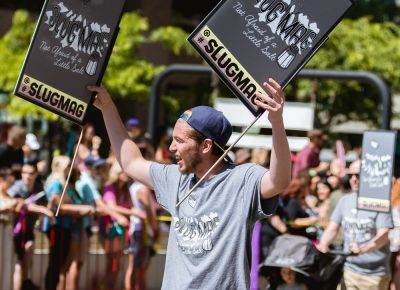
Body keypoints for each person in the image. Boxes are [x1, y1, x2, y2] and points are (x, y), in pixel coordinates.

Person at [89, 77, 291, 290]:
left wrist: (276, 122)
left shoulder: (242, 179)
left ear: (205, 146)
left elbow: (279, 181)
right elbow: (130, 162)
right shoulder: (175, 177)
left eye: (180, 141)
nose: (172, 148)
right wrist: (108, 108)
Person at [317, 159, 393, 290]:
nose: (353, 179)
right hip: (349, 270)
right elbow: (332, 228)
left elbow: (384, 235)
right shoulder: (345, 200)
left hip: (373, 275)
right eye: (350, 175)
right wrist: (322, 245)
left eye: (358, 175)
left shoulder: (380, 202)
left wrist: (362, 249)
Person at [7, 162, 54, 290]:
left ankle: (24, 284)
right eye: (25, 173)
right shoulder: (16, 188)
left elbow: (46, 205)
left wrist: (51, 204)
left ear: (36, 174)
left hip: (29, 230)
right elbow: (17, 204)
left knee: (27, 258)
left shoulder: (39, 188)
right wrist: (42, 210)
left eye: (31, 173)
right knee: (19, 263)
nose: (27, 176)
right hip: (15, 231)